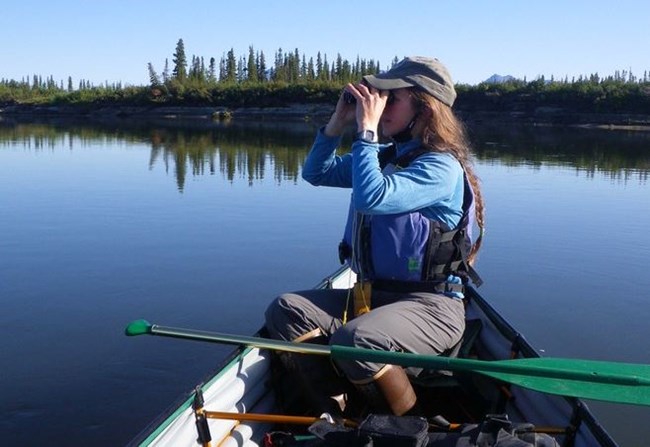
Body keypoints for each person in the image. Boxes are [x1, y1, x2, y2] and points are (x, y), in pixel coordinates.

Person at [264, 56, 485, 417]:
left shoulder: (439, 167)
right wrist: (338, 123)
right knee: (286, 310)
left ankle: (408, 422)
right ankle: (335, 413)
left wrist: (366, 132)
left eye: (391, 98)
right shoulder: (385, 157)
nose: (379, 105)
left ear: (425, 107)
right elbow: (315, 173)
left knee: (357, 340)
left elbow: (373, 197)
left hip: (431, 306)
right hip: (373, 297)